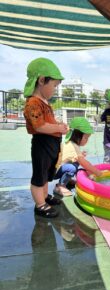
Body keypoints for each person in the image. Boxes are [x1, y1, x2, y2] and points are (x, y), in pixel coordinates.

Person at [23, 57, 68, 218]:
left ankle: (45, 196)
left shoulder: (44, 101)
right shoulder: (33, 103)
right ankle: (40, 205)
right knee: (39, 176)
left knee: (46, 174)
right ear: (42, 80)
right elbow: (39, 126)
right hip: (42, 144)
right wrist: (59, 128)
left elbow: (48, 122)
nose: (55, 89)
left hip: (50, 144)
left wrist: (58, 125)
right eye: (54, 85)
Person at [53, 117, 102, 197]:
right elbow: (84, 163)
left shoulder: (71, 143)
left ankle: (67, 180)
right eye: (86, 137)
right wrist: (97, 172)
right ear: (77, 135)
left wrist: (80, 155)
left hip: (57, 169)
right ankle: (60, 186)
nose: (87, 140)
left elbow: (73, 158)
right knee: (72, 168)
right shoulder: (72, 146)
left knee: (75, 164)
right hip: (54, 172)